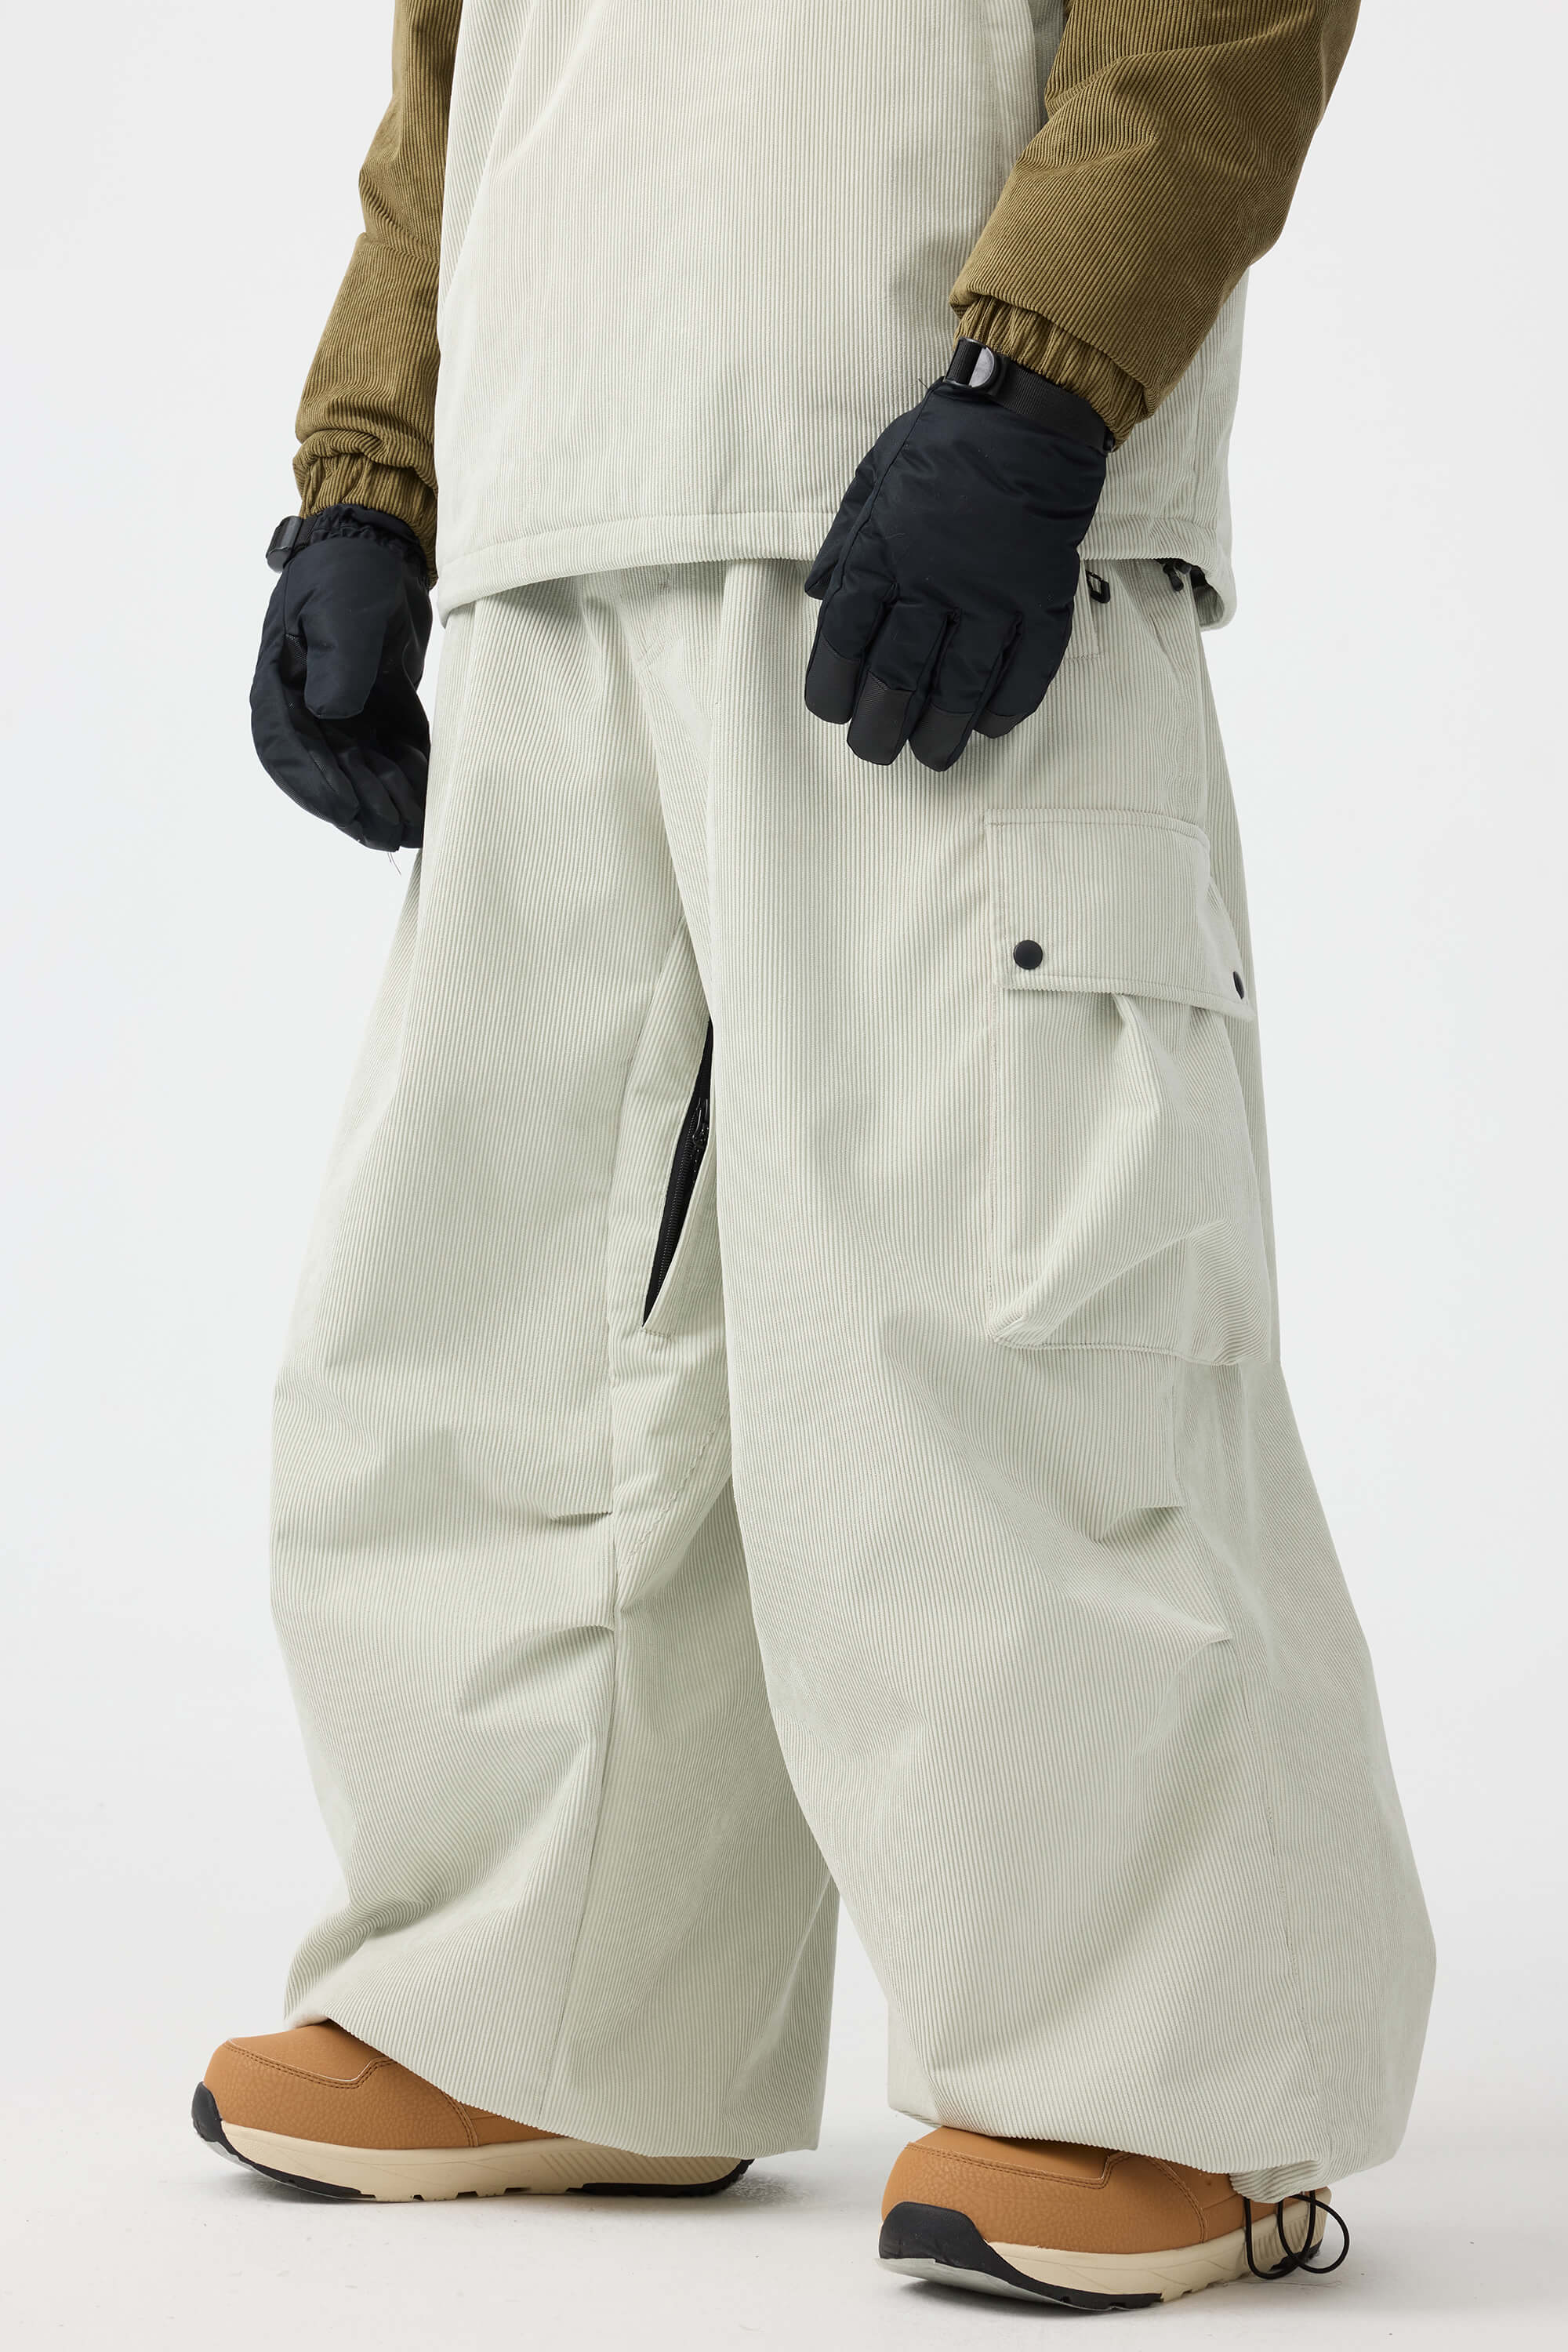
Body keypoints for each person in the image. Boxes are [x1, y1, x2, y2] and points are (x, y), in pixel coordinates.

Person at [199, 0, 1434, 2310]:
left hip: (933, 488)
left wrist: (1044, 379)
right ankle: (548, 2009)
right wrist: (371, 472)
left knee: (1007, 1314)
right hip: (560, 520)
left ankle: (1172, 2085)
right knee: (497, 1330)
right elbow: (461, 70)